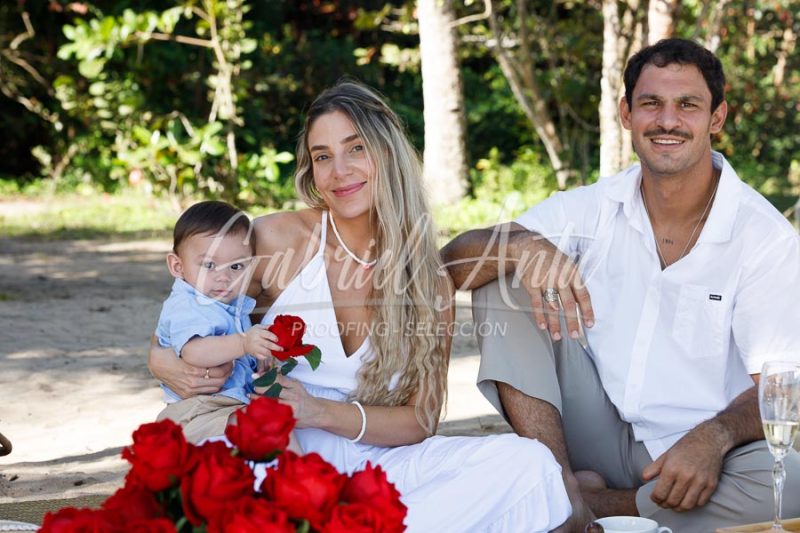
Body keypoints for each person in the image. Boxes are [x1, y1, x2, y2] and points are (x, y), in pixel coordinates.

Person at [149, 81, 572, 532]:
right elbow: (189, 311)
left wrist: (320, 412)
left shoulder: (428, 283)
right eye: (322, 156)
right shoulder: (278, 240)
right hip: (276, 454)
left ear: (387, 152)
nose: (339, 171)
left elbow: (420, 421)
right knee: (228, 468)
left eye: (356, 149)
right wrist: (159, 359)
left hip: (375, 462)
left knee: (527, 464)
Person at [442, 38, 800, 532]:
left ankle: (582, 504)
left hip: (695, 455)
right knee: (500, 271)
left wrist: (715, 436)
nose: (667, 120)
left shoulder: (763, 237)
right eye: (651, 103)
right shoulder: (594, 206)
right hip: (586, 428)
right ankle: (558, 481)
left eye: (687, 105)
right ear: (626, 113)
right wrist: (521, 246)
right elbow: (450, 265)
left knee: (790, 483)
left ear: (716, 117)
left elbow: (783, 384)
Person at [155, 200, 301, 451]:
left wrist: (259, 359)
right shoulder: (188, 304)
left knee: (277, 425)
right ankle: (298, 471)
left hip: (226, 405)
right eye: (209, 265)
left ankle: (299, 471)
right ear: (178, 266)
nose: (224, 276)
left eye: (236, 267)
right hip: (197, 410)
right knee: (265, 427)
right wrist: (243, 343)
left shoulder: (227, 304)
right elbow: (194, 352)